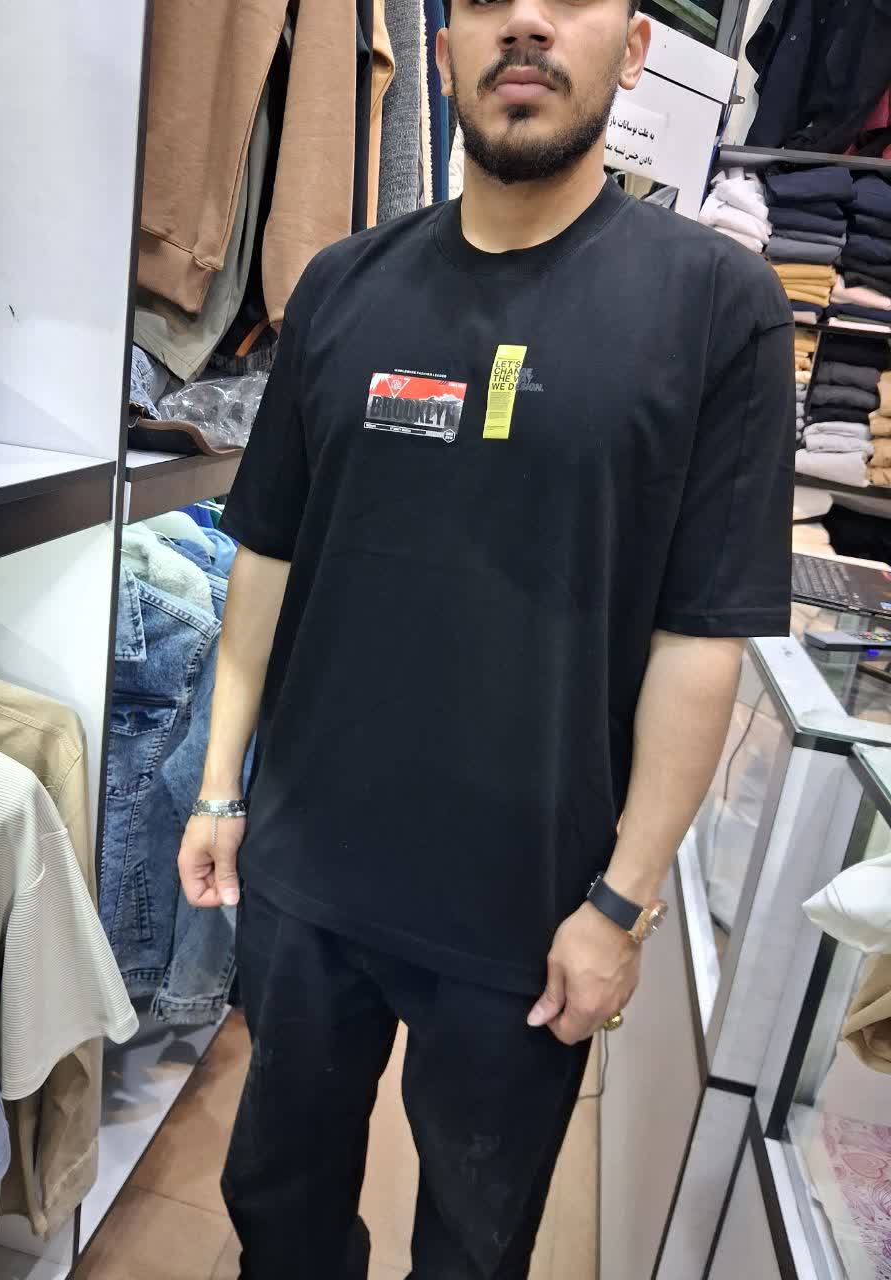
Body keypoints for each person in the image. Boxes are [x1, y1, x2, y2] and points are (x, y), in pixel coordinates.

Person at [178, 1, 795, 1275]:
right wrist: (220, 785)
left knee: (474, 1243)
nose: (524, 22)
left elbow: (702, 636)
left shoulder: (715, 306)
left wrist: (621, 903)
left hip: (531, 909)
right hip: (309, 874)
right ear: (445, 43)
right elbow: (269, 556)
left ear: (633, 48)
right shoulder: (341, 286)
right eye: (485, 2)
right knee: (276, 1209)